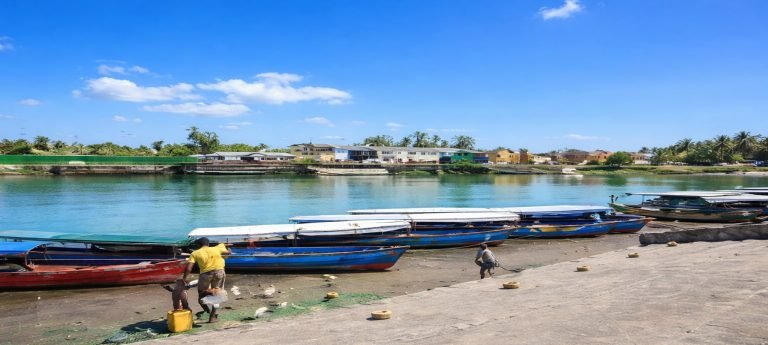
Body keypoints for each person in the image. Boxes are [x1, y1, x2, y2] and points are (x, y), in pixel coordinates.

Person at [183, 237, 231, 323]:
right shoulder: (216, 249)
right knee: (217, 294)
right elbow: (228, 252)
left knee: (201, 294)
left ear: (198, 245)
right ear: (208, 244)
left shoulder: (195, 253)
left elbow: (189, 268)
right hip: (219, 272)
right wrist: (228, 248)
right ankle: (212, 317)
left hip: (205, 274)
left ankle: (208, 312)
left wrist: (184, 278)